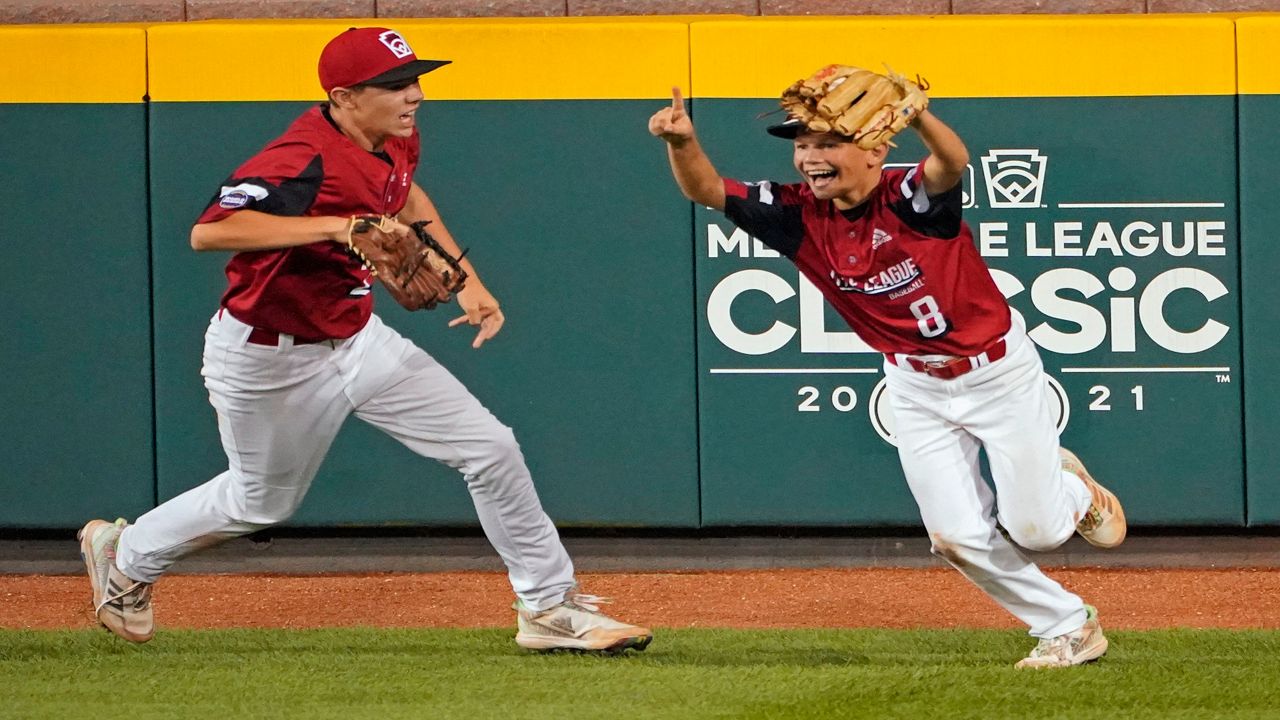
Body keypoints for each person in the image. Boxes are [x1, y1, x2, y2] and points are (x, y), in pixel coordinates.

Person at [78, 26, 651, 654]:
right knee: (260, 502)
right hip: (268, 357)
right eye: (397, 86)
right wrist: (339, 227)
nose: (416, 96)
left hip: (358, 340)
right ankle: (125, 552)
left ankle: (547, 607)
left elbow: (405, 199)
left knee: (491, 448)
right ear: (345, 96)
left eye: (416, 81)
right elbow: (209, 233)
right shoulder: (300, 157)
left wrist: (466, 280)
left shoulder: (394, 138)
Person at [648, 77, 1126, 668]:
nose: (810, 157)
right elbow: (706, 189)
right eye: (802, 145)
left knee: (1037, 531)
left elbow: (952, 162)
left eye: (828, 143)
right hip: (913, 385)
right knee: (953, 536)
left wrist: (921, 117)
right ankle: (1066, 624)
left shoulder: (909, 198)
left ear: (876, 149)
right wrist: (682, 142)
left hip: (996, 375)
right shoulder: (794, 214)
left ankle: (1073, 493)